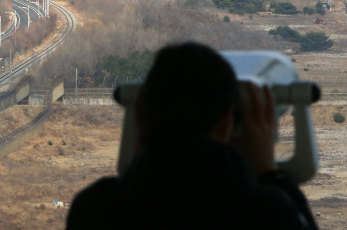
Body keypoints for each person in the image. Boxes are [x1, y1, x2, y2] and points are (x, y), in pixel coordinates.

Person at [66, 42, 318, 230]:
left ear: (140, 114)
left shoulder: (97, 209)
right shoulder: (267, 214)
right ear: (225, 123)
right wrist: (269, 174)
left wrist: (141, 158)